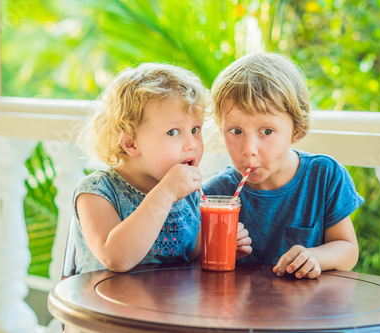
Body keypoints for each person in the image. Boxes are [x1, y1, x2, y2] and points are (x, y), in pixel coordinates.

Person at [73, 63, 251, 274]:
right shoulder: (97, 192)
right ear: (131, 143)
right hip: (107, 305)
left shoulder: (188, 195)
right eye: (173, 132)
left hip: (171, 306)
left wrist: (222, 247)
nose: (192, 144)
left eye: (195, 129)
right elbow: (116, 258)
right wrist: (165, 193)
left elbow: (191, 257)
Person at [203, 53, 364, 279]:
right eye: (236, 131)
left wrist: (316, 256)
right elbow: (194, 264)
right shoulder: (215, 196)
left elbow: (348, 250)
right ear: (221, 129)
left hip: (305, 311)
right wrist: (221, 250)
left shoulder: (324, 177)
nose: (249, 148)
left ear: (296, 129)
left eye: (266, 131)